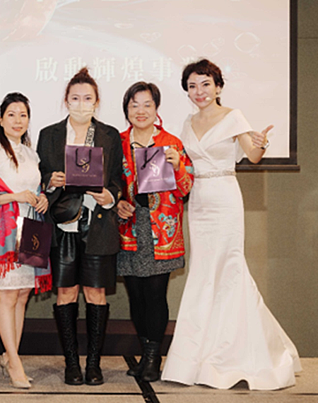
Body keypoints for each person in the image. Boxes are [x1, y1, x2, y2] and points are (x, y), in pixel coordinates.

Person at [161, 59, 301, 390]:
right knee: (203, 272)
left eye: (205, 84)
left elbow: (252, 155)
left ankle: (236, 354)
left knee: (229, 270)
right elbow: (185, 164)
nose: (199, 91)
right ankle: (195, 357)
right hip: (198, 201)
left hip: (225, 197)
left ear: (218, 87)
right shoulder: (187, 122)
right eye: (192, 86)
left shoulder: (234, 116)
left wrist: (261, 142)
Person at [37, 67, 123, 386]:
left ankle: (94, 364)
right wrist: (51, 180)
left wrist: (110, 196)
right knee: (66, 292)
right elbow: (38, 176)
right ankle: (71, 363)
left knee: (96, 292)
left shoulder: (110, 135)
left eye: (88, 98)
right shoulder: (49, 134)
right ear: (66, 101)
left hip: (98, 223)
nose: (81, 104)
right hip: (63, 227)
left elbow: (118, 179)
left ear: (96, 102)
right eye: (75, 98)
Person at [0, 93, 51, 389]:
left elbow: (36, 188)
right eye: (12, 114)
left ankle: (10, 356)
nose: (18, 121)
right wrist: (15, 196)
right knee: (8, 294)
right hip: (7, 231)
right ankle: (15, 362)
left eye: (23, 115)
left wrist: (41, 198)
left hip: (31, 229)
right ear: (1, 119)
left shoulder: (32, 154)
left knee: (22, 295)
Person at [116, 82, 194, 382]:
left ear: (156, 108)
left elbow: (186, 188)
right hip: (129, 229)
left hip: (162, 231)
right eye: (134, 105)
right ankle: (145, 352)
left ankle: (153, 358)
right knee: (136, 295)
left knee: (155, 294)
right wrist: (117, 203)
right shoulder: (118, 142)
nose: (141, 111)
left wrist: (178, 167)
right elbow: (108, 185)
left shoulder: (171, 142)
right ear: (126, 109)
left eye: (147, 104)